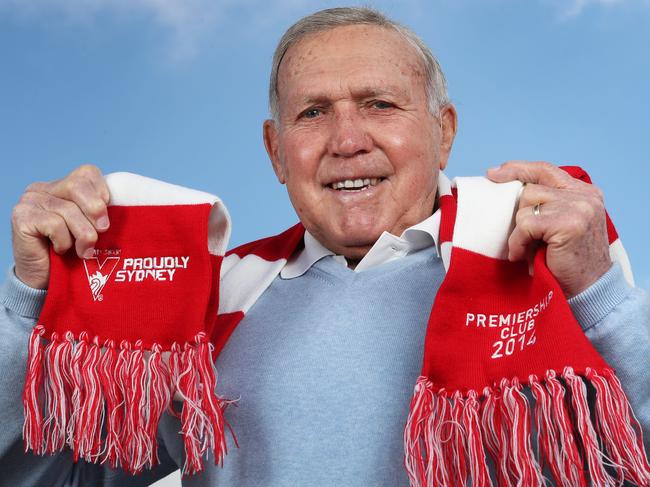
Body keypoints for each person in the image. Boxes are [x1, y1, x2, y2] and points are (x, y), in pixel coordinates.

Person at [1, 7, 648, 487]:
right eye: (312, 113)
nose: (347, 138)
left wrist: (601, 295)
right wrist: (28, 297)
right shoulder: (205, 300)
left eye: (380, 104)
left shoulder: (553, 260)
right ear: (276, 151)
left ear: (443, 131)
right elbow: (38, 475)